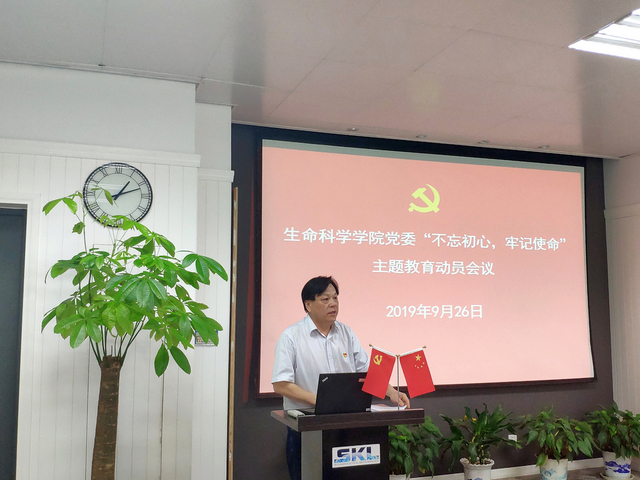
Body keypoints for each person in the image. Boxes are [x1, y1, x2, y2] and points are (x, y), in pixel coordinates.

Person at [272, 275, 410, 480]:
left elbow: (367, 370)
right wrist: (321, 401)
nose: (333, 304)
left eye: (335, 298)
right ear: (308, 305)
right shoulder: (291, 336)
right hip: (309, 426)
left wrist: (391, 392)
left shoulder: (346, 333)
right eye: (325, 299)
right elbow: (281, 384)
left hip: (345, 425)